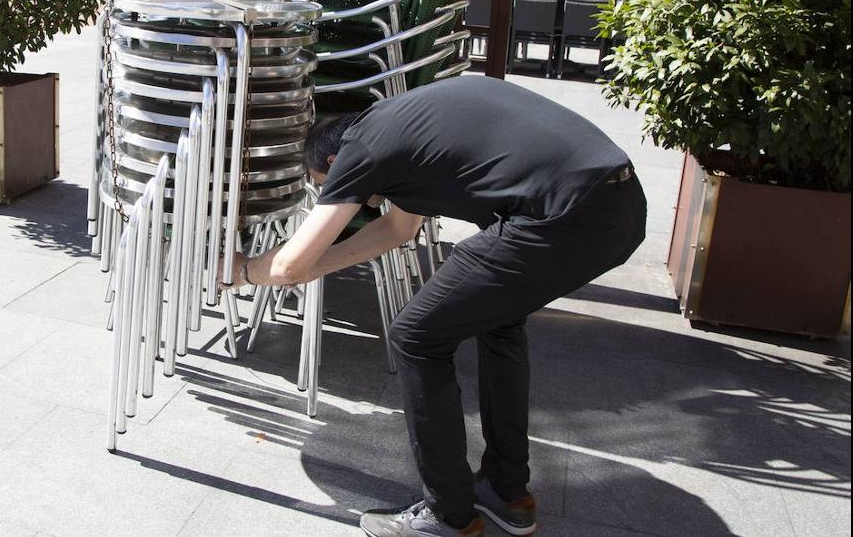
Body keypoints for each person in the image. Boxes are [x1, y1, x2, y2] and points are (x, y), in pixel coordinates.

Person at [221, 75, 647, 537]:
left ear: (332, 161)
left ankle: (448, 517)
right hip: (617, 205)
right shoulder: (404, 128)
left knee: (416, 337)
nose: (358, 200)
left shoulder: (361, 147)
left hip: (564, 215)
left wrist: (244, 271)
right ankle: (508, 493)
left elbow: (286, 267)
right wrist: (309, 268)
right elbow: (396, 231)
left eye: (335, 187)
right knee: (500, 324)